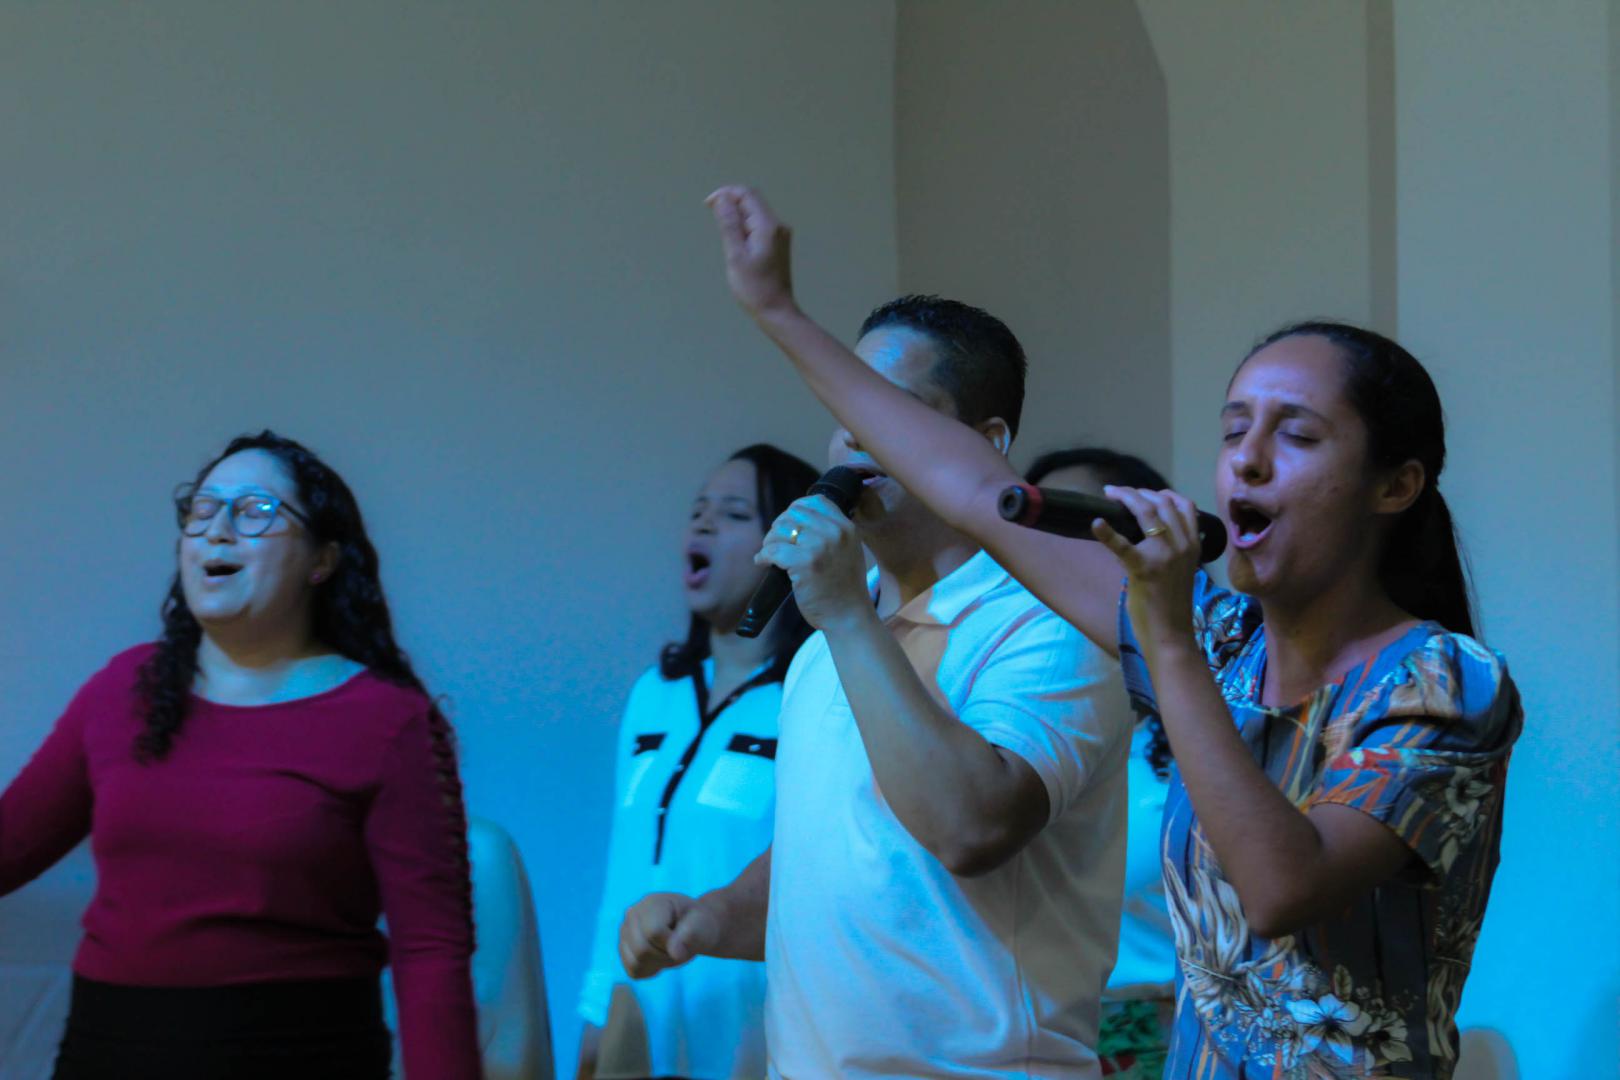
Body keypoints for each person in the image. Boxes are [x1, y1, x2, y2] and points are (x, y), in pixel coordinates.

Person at [706, 185, 1521, 1080]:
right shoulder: (1221, 640)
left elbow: (1280, 886)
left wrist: (1167, 641)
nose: (1246, 460)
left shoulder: (1440, 681)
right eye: (1233, 430)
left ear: (1395, 485)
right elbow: (973, 490)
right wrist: (778, 312)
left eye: (1295, 435)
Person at [620, 295, 1134, 1078]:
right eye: (845, 405)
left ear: (987, 442)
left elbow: (972, 828)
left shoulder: (1048, 623)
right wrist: (713, 915)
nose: (855, 433)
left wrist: (846, 617)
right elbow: (837, 856)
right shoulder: (829, 642)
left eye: (891, 406)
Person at [0, 431, 480, 1080]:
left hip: (302, 1057)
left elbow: (432, 954)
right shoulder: (122, 689)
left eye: (255, 511)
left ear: (322, 560)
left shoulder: (388, 721)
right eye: (201, 510)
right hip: (107, 1053)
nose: (217, 531)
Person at [576, 444, 818, 1080]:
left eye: (734, 514)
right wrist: (595, 1012)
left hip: (758, 1035)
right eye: (698, 511)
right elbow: (625, 867)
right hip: (639, 1024)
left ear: (787, 545)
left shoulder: (816, 695)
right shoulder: (652, 693)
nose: (704, 523)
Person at [1026, 448, 1178, 1079]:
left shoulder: (1201, 723)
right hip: (1003, 1040)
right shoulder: (1006, 711)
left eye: (1066, 522)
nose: (1036, 549)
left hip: (1154, 1044)